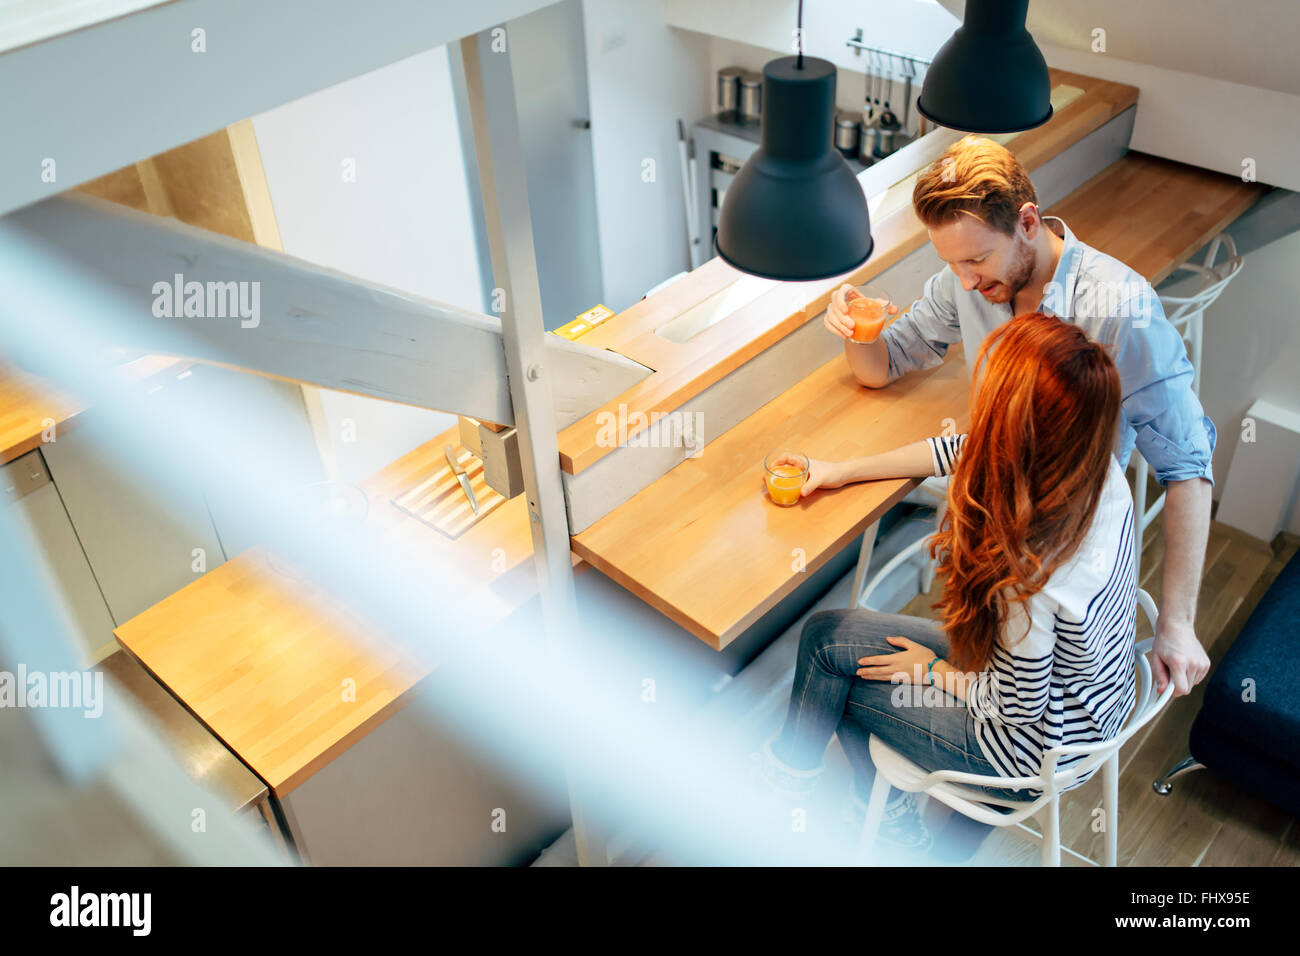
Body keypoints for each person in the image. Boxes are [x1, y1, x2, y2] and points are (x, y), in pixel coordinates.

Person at [827, 135, 1212, 700]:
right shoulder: (969, 278)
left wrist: (1176, 624)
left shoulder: (1120, 308)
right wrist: (856, 329)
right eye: (951, 263)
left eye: (976, 260)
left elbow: (1187, 466)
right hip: (994, 520)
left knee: (930, 677)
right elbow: (886, 364)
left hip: (1055, 550)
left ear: (1027, 221)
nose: (964, 282)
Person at [758, 314, 1137, 858]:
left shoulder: (1028, 571)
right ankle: (798, 784)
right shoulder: (1094, 470)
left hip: (1028, 747)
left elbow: (1016, 707)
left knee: (836, 678)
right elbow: (963, 449)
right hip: (1088, 701)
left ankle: (874, 825)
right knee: (826, 636)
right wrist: (841, 470)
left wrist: (931, 672)